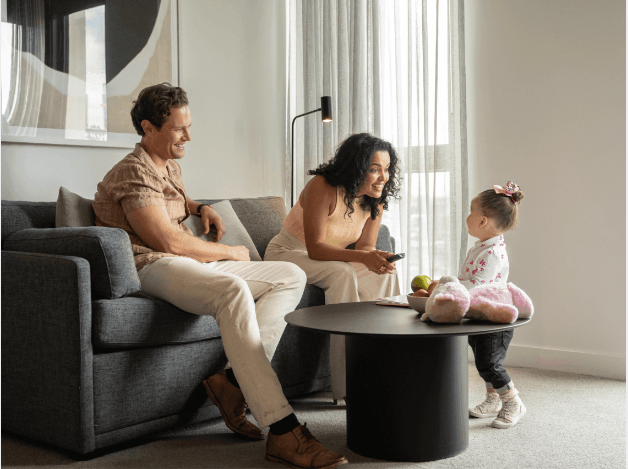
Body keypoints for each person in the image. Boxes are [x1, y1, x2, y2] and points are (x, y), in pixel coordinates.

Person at [92, 83, 348, 469]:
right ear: (148, 128)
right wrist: (229, 251)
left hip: (188, 264)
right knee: (233, 290)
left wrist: (201, 207)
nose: (188, 136)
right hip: (151, 265)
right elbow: (166, 240)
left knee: (290, 275)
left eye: (188, 126)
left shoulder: (167, 166)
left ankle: (231, 383)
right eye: (179, 129)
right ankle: (282, 429)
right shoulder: (131, 170)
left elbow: (172, 202)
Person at [264, 133, 402, 403]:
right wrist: (363, 259)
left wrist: (376, 257)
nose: (383, 177)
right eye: (375, 169)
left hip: (329, 258)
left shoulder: (376, 200)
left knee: (385, 273)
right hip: (288, 254)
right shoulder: (322, 187)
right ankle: (348, 388)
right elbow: (315, 247)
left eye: (386, 169)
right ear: (356, 166)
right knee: (343, 272)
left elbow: (363, 249)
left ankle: (386, 368)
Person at [461, 181, 527, 429]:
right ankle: (493, 400)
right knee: (482, 360)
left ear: (482, 221)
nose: (467, 216)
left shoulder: (492, 253)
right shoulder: (482, 247)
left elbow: (478, 285)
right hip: (481, 315)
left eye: (471, 210)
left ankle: (513, 401)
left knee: (489, 363)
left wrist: (452, 286)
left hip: (495, 317)